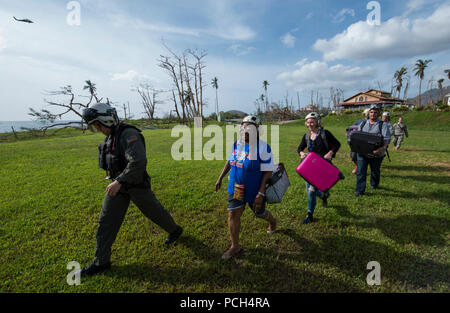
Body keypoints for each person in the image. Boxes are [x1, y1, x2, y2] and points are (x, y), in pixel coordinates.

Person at [80, 103, 183, 276]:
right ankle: (101, 262)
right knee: (106, 222)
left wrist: (119, 180)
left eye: (98, 126)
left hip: (136, 186)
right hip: (118, 187)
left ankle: (175, 230)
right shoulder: (111, 136)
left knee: (154, 212)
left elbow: (138, 162)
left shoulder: (129, 134)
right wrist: (116, 180)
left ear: (106, 120)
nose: (97, 130)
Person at [215, 115, 278, 260]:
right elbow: (229, 162)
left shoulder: (263, 147)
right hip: (236, 188)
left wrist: (261, 193)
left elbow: (268, 170)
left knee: (259, 213)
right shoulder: (237, 143)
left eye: (249, 127)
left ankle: (272, 221)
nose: (245, 130)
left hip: (254, 190)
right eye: (243, 127)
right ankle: (235, 246)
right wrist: (220, 178)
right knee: (233, 214)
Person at [297, 112, 341, 224]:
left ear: (317, 122)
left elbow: (337, 144)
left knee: (311, 191)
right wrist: (301, 153)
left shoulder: (325, 133)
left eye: (312, 121)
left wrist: (330, 153)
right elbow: (299, 148)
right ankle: (323, 195)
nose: (310, 124)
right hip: (309, 167)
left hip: (322, 167)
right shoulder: (306, 136)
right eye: (308, 122)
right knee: (309, 191)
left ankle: (309, 215)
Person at [355, 105, 391, 197]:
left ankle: (374, 184)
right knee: (360, 171)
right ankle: (360, 190)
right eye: (371, 112)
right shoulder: (362, 124)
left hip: (377, 153)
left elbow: (386, 139)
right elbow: (358, 135)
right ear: (368, 113)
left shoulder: (383, 125)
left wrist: (381, 149)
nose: (373, 114)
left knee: (375, 171)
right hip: (363, 152)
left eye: (375, 112)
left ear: (378, 114)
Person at [349, 108, 370, 174]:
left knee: (364, 157)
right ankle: (358, 167)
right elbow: (350, 129)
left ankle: (361, 169)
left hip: (366, 143)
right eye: (366, 114)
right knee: (353, 156)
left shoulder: (373, 123)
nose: (367, 115)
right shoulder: (359, 121)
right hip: (357, 142)